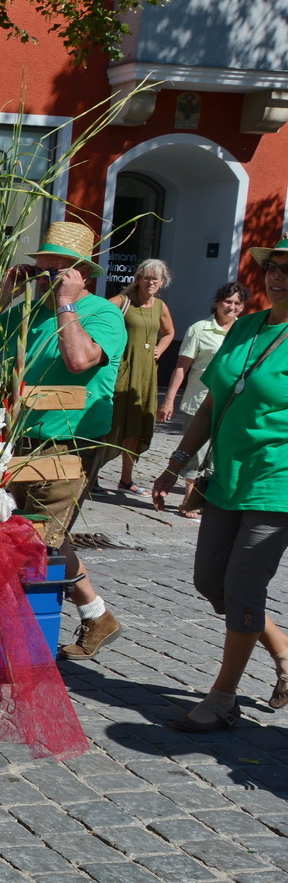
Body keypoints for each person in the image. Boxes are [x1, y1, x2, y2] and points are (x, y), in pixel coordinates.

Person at [150, 241, 288, 730]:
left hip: (278, 483)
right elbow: (213, 402)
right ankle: (286, 652)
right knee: (211, 581)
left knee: (244, 585)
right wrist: (177, 462)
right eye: (275, 267)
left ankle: (223, 697)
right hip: (226, 476)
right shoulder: (247, 326)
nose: (278, 277)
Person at [0, 220, 128, 660]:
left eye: (54, 272)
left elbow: (79, 360)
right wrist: (4, 295)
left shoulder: (103, 314)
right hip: (20, 439)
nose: (45, 280)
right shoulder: (26, 312)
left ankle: (20, 641)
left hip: (70, 445)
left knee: (37, 539)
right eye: (39, 269)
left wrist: (66, 305)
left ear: (79, 273)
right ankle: (96, 615)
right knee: (36, 532)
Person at [157, 281, 247, 516]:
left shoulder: (245, 331)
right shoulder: (199, 329)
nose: (232, 307)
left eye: (238, 303)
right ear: (217, 302)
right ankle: (188, 500)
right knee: (196, 454)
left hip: (230, 405)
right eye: (228, 301)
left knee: (218, 455)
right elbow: (181, 366)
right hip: (198, 402)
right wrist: (169, 400)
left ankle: (208, 498)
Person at [101, 258, 176, 493]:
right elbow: (96, 315)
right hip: (123, 371)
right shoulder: (123, 302)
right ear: (138, 279)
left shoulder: (160, 306)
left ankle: (126, 478)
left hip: (146, 373)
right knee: (112, 424)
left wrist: (161, 348)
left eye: (156, 278)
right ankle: (91, 475)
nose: (151, 281)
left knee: (135, 424)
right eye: (147, 276)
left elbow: (170, 332)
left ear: (162, 282)